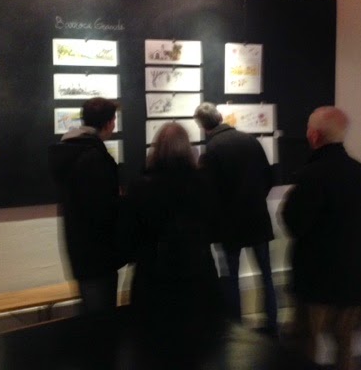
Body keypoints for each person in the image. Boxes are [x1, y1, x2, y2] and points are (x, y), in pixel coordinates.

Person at [280, 106, 361, 370]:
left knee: (307, 345)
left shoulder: (311, 176)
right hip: (354, 276)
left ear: (314, 136)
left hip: (317, 279)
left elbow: (294, 223)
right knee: (345, 346)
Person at [118, 122, 224, 366]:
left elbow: (128, 236)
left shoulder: (141, 186)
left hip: (153, 278)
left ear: (157, 149)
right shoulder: (202, 183)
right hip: (197, 274)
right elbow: (215, 228)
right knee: (195, 350)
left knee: (154, 350)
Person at [193, 102, 278, 336]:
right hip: (257, 218)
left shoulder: (212, 149)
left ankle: (237, 331)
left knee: (231, 278)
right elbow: (269, 177)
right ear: (220, 117)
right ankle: (272, 325)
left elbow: (210, 192)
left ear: (202, 126)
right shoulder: (250, 141)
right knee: (266, 275)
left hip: (229, 224)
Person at [48, 97, 123, 315]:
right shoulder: (94, 158)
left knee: (91, 314)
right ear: (108, 123)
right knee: (101, 318)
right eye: (114, 120)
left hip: (80, 249)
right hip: (98, 254)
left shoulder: (71, 151)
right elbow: (102, 211)